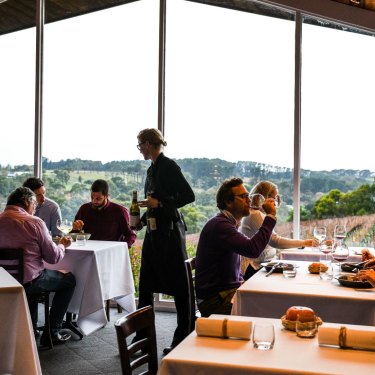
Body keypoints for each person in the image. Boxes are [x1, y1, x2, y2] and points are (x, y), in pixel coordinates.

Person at [134, 128, 195, 355]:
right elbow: (153, 200)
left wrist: (160, 204)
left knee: (180, 287)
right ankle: (143, 336)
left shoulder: (168, 166)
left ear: (149, 144)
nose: (139, 149)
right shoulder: (152, 168)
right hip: (153, 231)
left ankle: (183, 337)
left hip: (170, 234)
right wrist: (140, 221)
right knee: (146, 284)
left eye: (140, 145)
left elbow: (188, 196)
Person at [0, 187, 76, 346]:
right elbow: (53, 257)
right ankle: (52, 332)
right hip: (28, 283)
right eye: (34, 205)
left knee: (33, 275)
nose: (34, 210)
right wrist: (62, 245)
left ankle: (32, 328)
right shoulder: (34, 222)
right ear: (28, 202)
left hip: (3, 283)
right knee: (68, 280)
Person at [195, 177, 277, 318]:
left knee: (270, 296)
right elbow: (253, 250)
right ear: (228, 202)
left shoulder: (228, 224)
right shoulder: (220, 226)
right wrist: (270, 216)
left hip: (226, 292)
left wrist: (242, 283)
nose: (249, 200)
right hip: (215, 300)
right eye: (243, 196)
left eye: (248, 196)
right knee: (269, 308)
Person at [239, 180, 319, 280]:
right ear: (266, 197)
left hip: (263, 266)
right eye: (275, 197)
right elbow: (275, 241)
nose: (276, 201)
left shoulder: (259, 214)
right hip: (254, 269)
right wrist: (306, 242)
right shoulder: (255, 214)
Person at [72, 179, 136, 246]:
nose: (94, 201)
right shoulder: (84, 209)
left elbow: (131, 235)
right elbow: (75, 235)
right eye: (92, 197)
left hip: (111, 252)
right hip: (89, 252)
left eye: (98, 198)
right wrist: (75, 229)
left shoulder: (120, 211)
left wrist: (121, 249)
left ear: (107, 196)